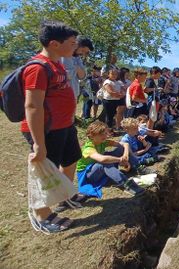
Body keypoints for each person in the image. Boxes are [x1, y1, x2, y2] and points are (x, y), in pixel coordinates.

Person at [22, 21, 83, 233]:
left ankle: (65, 195)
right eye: (72, 43)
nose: (76, 47)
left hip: (65, 125)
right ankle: (42, 215)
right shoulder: (38, 68)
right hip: (48, 130)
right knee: (44, 171)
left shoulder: (58, 63)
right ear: (55, 44)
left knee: (71, 158)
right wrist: (38, 143)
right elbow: (32, 105)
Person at [76, 121, 145, 198]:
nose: (105, 136)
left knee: (120, 149)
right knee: (104, 162)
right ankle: (124, 184)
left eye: (105, 133)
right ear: (92, 136)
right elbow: (102, 159)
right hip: (88, 176)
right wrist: (120, 159)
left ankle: (138, 167)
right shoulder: (88, 148)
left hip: (98, 168)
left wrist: (125, 156)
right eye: (101, 134)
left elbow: (125, 144)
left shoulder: (103, 142)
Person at [61, 36, 93, 102]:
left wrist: (76, 68)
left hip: (74, 95)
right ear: (76, 45)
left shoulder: (77, 57)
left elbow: (83, 76)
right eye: (82, 50)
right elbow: (67, 75)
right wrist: (78, 69)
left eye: (85, 52)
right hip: (63, 95)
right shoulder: (65, 55)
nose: (82, 53)